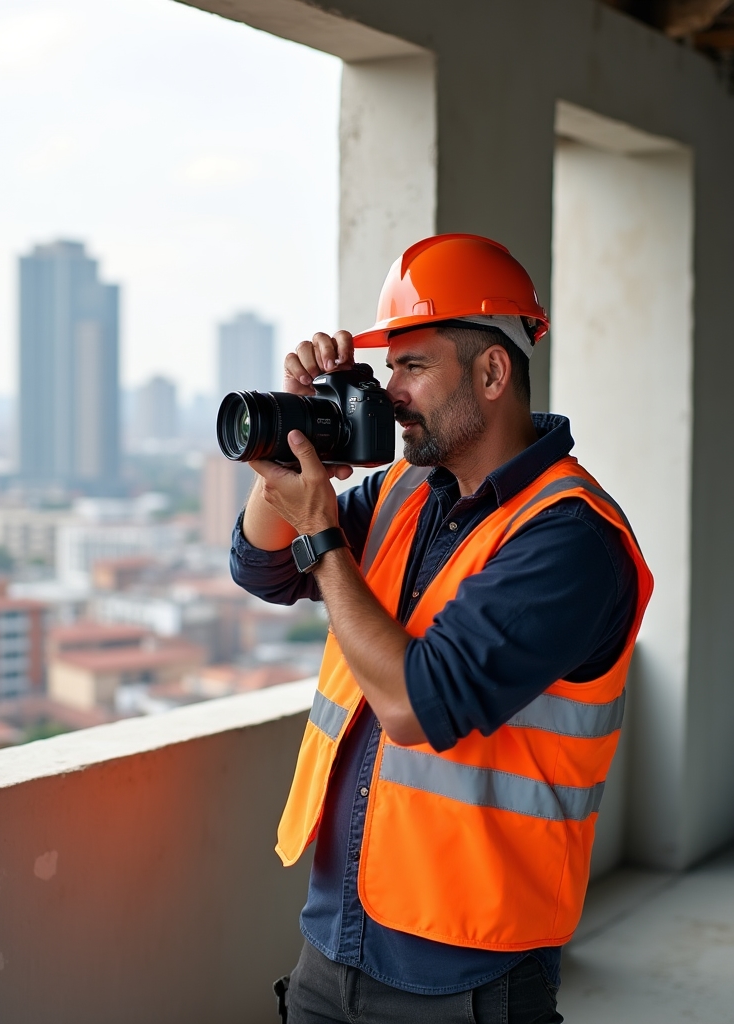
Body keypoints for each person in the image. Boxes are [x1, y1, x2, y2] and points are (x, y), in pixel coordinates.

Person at [230, 234, 654, 1024]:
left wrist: (324, 537)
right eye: (389, 368)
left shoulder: (569, 539)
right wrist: (290, 459)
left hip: (468, 978)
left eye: (413, 366)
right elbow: (266, 569)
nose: (391, 391)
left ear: (493, 374)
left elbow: (415, 706)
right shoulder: (405, 493)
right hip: (333, 943)